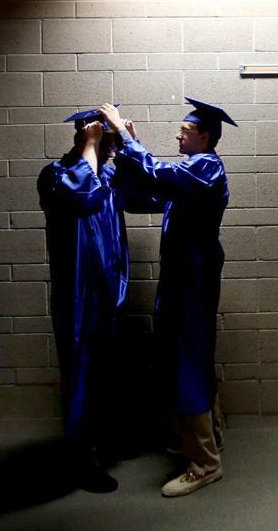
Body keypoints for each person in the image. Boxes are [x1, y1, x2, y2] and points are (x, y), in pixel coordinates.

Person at [99, 99, 230, 498]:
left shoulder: (206, 168)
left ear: (204, 137)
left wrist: (124, 134)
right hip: (183, 281)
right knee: (188, 355)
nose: (178, 134)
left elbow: (158, 173)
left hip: (192, 281)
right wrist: (122, 155)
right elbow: (147, 193)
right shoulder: (188, 178)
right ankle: (209, 437)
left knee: (188, 359)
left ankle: (205, 463)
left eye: (185, 130)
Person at [36, 107, 130, 493]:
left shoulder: (105, 173)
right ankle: (80, 457)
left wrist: (125, 140)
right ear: (88, 139)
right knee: (80, 376)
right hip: (76, 299)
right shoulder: (56, 177)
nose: (109, 151)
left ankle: (99, 442)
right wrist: (92, 145)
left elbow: (138, 186)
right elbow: (83, 195)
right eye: (104, 142)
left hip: (104, 295)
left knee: (103, 374)